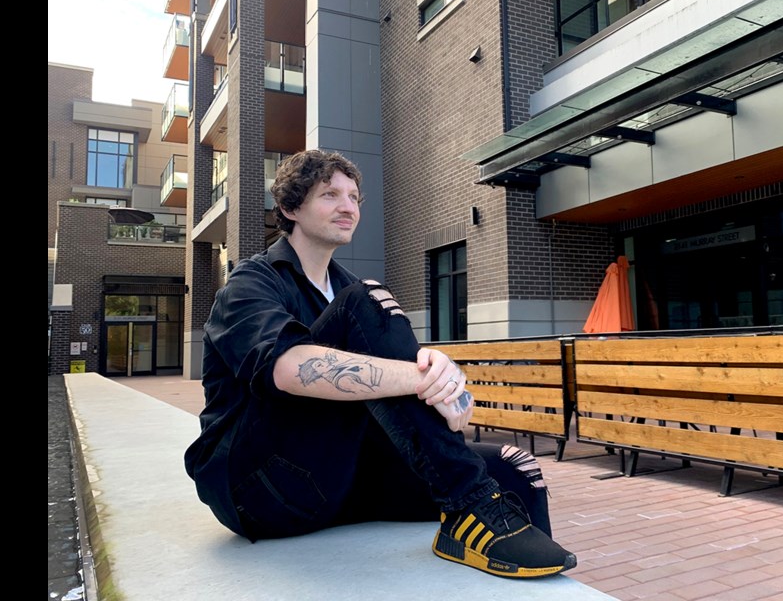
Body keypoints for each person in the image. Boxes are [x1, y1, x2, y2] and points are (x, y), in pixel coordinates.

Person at [184, 148, 576, 579]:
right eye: (330, 195)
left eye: (354, 197)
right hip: (260, 489)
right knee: (369, 300)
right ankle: (470, 502)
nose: (348, 207)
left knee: (516, 471)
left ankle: (531, 575)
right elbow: (287, 367)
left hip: (343, 477)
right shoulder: (253, 282)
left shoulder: (348, 289)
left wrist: (446, 386)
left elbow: (441, 413)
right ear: (289, 206)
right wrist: (416, 379)